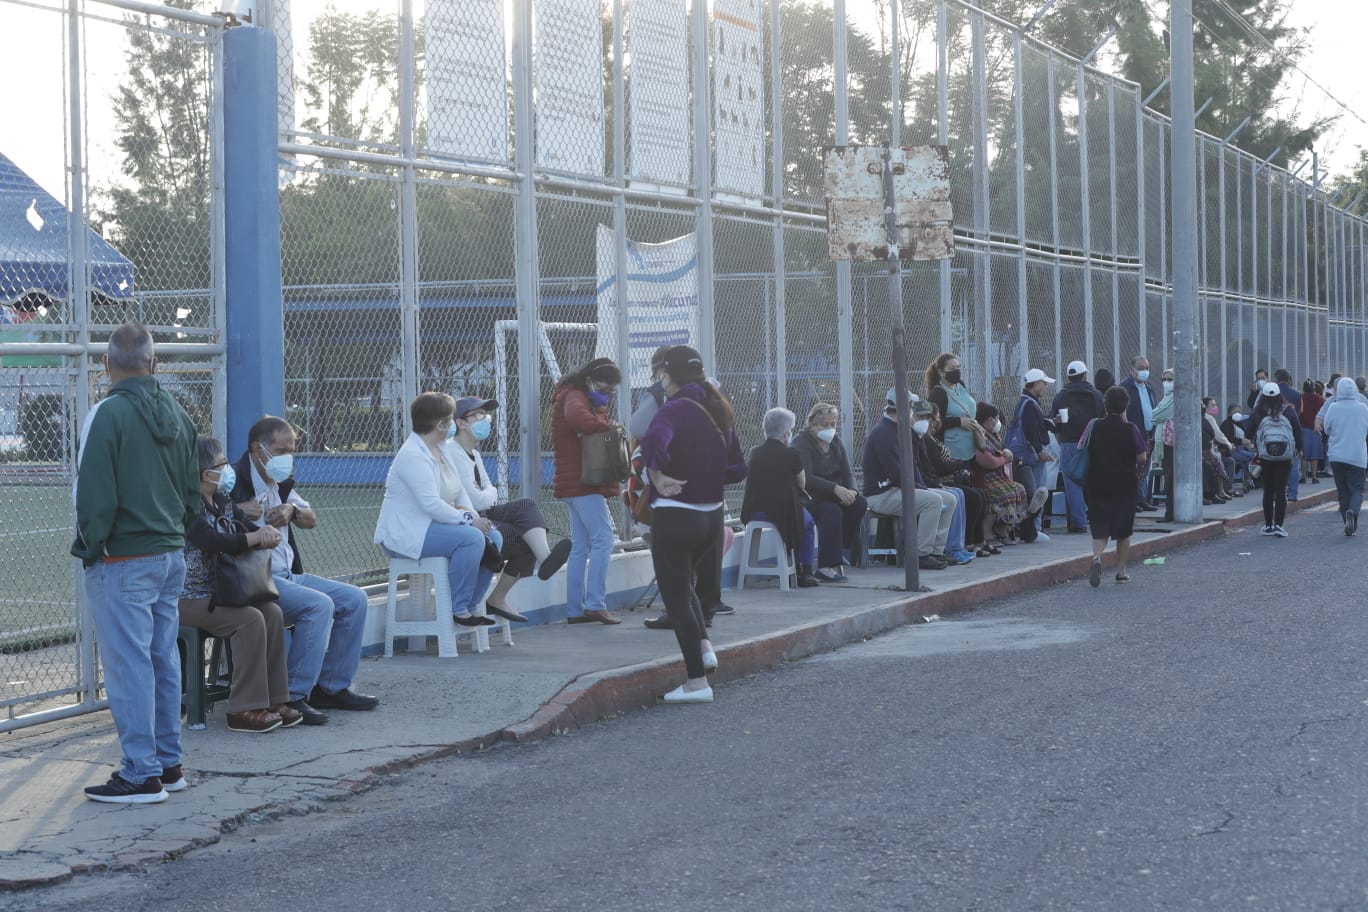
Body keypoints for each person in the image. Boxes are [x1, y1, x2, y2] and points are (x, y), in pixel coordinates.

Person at [73, 322, 199, 803]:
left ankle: (141, 772)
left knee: (130, 667)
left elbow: (93, 496)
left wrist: (91, 548)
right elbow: (193, 494)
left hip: (123, 555)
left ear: (106, 365)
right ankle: (168, 765)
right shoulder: (177, 412)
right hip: (169, 553)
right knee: (160, 659)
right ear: (154, 364)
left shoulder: (107, 413)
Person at [232, 417, 377, 725]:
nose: (288, 458)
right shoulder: (234, 480)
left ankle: (332, 687)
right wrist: (236, 511)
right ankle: (294, 696)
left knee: (354, 599)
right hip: (254, 579)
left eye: (292, 450)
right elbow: (206, 519)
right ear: (258, 450)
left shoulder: (281, 481)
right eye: (281, 450)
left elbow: (311, 518)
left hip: (287, 575)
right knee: (318, 605)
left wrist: (292, 511)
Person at [638, 346, 747, 703]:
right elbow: (737, 467)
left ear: (668, 375)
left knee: (677, 596)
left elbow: (653, 441)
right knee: (686, 587)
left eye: (661, 376)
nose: (660, 382)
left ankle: (697, 682)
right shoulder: (719, 408)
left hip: (676, 513)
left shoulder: (676, 408)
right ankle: (704, 647)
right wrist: (705, 474)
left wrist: (657, 475)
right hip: (712, 515)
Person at [179, 436, 301, 733]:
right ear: (206, 473)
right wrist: (252, 538)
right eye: (222, 463)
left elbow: (241, 528)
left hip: (222, 594)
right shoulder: (185, 505)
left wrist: (266, 532)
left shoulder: (220, 499)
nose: (228, 468)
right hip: (190, 599)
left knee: (271, 613)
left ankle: (274, 700)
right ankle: (243, 709)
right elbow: (210, 540)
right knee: (249, 620)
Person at [375, 392, 506, 632]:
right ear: (441, 425)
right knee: (472, 539)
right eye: (450, 418)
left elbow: (459, 493)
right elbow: (431, 505)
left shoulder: (442, 447)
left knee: (494, 537)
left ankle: (471, 605)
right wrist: (468, 522)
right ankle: (458, 609)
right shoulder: (413, 455)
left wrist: (475, 518)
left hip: (434, 527)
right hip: (407, 534)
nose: (454, 423)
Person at [449, 395, 571, 622]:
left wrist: (487, 493)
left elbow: (488, 492)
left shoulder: (473, 454)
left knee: (526, 504)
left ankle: (540, 560)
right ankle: (535, 564)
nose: (485, 419)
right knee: (522, 539)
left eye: (486, 415)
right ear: (460, 422)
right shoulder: (452, 450)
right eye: (477, 415)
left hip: (483, 513)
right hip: (468, 520)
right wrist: (487, 493)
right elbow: (478, 499)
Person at [551, 358, 625, 625]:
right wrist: (609, 427)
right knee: (604, 538)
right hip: (582, 483)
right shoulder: (575, 396)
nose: (605, 394)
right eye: (603, 388)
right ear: (590, 380)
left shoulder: (575, 394)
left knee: (581, 546)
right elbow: (577, 418)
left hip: (575, 483)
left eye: (610, 391)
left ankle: (575, 609)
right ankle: (595, 603)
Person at [861, 388, 955, 570]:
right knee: (933, 501)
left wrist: (922, 487)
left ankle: (936, 551)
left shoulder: (899, 429)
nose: (912, 410)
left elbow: (911, 467)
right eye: (911, 405)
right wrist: (920, 489)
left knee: (949, 499)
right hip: (881, 494)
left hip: (897, 490)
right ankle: (920, 554)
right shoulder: (884, 432)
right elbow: (896, 473)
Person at [740, 408, 820, 587]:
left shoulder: (755, 452)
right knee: (808, 524)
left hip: (753, 512)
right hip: (782, 512)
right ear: (786, 434)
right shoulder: (791, 454)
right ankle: (805, 571)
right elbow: (802, 483)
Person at [789, 402, 867, 580]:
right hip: (809, 498)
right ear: (812, 425)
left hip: (832, 495)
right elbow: (806, 478)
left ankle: (840, 551)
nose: (830, 428)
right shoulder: (802, 443)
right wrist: (835, 488)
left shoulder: (835, 442)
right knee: (831, 511)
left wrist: (852, 491)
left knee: (859, 504)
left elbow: (848, 473)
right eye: (825, 425)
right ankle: (825, 567)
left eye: (833, 424)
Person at [1083, 386, 1148, 586]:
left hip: (1096, 483)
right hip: (1124, 484)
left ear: (1106, 404)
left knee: (1100, 527)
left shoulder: (1093, 426)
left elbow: (1081, 448)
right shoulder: (1130, 428)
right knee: (1123, 530)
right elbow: (1141, 456)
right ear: (1125, 405)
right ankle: (1121, 571)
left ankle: (1096, 558)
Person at [922, 403, 993, 556]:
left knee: (980, 494)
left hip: (942, 479)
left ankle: (977, 541)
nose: (936, 422)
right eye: (933, 418)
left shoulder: (931, 438)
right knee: (968, 496)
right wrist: (959, 463)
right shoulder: (925, 440)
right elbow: (940, 467)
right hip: (938, 480)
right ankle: (960, 545)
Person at [911, 399, 975, 564]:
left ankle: (954, 547)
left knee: (958, 494)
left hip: (929, 483)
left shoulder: (922, 437)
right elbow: (926, 469)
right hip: (920, 486)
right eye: (920, 417)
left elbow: (927, 469)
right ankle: (948, 548)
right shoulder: (914, 438)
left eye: (928, 418)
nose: (926, 422)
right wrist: (934, 484)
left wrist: (935, 483)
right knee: (954, 495)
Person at [1051, 361, 1104, 533]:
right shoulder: (1095, 395)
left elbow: (1056, 426)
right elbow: (1102, 419)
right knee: (1094, 481)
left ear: (1068, 377)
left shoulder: (1060, 396)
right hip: (1093, 443)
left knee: (1072, 484)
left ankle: (1079, 523)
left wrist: (1063, 442)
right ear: (1085, 375)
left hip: (1069, 443)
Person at [970, 403, 1031, 547]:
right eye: (996, 418)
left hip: (999, 476)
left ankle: (1002, 529)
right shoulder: (979, 434)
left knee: (1019, 489)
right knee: (1003, 493)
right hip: (984, 477)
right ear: (989, 419)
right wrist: (1004, 459)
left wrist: (1011, 457)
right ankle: (988, 532)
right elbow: (986, 461)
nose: (997, 422)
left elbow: (1002, 452)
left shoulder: (995, 435)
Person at [1246, 381, 1302, 537]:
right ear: (1279, 395)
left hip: (1265, 456)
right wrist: (1299, 448)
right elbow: (1297, 430)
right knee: (1280, 489)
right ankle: (1279, 525)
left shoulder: (1257, 411)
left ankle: (1268, 526)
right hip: (1285, 457)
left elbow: (1248, 432)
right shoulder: (1288, 410)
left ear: (1263, 395)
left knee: (1268, 490)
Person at [1008, 368, 1056, 540]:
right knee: (1037, 492)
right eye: (1043, 384)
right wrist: (1040, 450)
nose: (1045, 387)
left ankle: (1033, 528)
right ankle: (1033, 529)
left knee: (1034, 491)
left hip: (1028, 453)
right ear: (1035, 385)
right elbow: (1030, 429)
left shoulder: (1027, 401)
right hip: (1031, 455)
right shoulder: (1029, 404)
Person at [1321, 377, 1368, 535]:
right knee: (1356, 490)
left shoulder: (1333, 407)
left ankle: (1347, 524)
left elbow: (1326, 429)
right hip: (1357, 455)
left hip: (1337, 455)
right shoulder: (1363, 407)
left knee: (1342, 491)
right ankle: (1353, 513)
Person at [926, 352, 983, 461]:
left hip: (972, 450)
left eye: (958, 367)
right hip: (953, 455)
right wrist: (959, 421)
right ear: (941, 372)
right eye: (952, 368)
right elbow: (933, 423)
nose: (957, 371)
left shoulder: (960, 384)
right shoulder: (938, 393)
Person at [1120, 356, 1158, 510]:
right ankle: (1132, 500)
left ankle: (1142, 499)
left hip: (1148, 434)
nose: (1144, 371)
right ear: (1132, 370)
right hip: (1133, 434)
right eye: (1141, 368)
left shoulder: (1148, 387)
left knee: (1145, 469)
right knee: (1132, 469)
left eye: (1147, 368)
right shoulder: (1125, 387)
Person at [1271, 369, 1303, 502]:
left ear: (1276, 379)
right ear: (1288, 379)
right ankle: (1292, 494)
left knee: (1273, 464)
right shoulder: (1296, 394)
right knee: (1293, 464)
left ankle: (1274, 493)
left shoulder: (1269, 392)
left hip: (1271, 433)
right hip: (1290, 433)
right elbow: (1299, 413)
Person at [1297, 380, 1324, 484]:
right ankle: (1314, 477)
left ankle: (1303, 477)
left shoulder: (1300, 398)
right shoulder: (1320, 399)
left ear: (1303, 388)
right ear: (1314, 389)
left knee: (1304, 455)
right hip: (1315, 429)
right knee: (1314, 456)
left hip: (1303, 429)